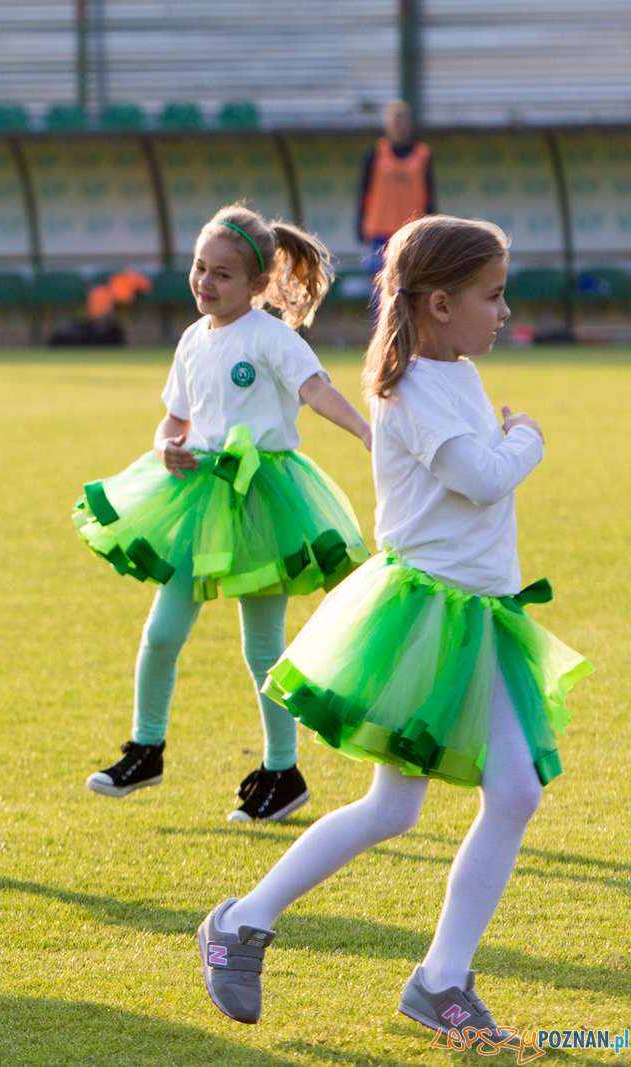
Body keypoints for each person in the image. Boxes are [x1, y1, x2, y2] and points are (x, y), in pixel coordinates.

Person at [197, 215, 592, 1034]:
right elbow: (481, 478)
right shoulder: (410, 389)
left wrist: (507, 434)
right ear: (440, 304)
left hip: (477, 616)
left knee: (475, 796)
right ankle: (245, 924)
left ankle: (429, 976)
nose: (507, 312)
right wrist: (529, 438)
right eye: (493, 296)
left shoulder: (458, 372)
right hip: (427, 620)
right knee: (424, 804)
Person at [73, 205, 372, 822]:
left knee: (262, 648)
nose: (205, 282)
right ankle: (146, 748)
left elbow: (317, 391)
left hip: (263, 504)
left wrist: (367, 433)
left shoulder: (271, 337)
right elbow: (175, 418)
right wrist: (164, 446)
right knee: (160, 634)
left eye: (223, 275)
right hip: (198, 500)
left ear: (259, 284)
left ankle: (283, 771)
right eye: (199, 268)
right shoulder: (192, 338)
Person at [358, 100, 435, 276]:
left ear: (409, 124)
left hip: (412, 233)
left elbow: (429, 196)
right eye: (395, 120)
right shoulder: (374, 155)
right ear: (387, 124)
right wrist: (360, 223)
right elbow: (364, 194)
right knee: (380, 289)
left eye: (403, 120)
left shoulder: (422, 156)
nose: (399, 126)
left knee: (410, 285)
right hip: (379, 234)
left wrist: (431, 227)